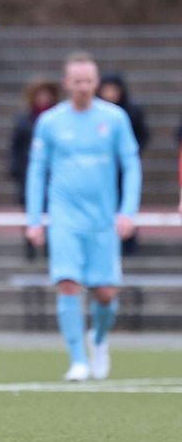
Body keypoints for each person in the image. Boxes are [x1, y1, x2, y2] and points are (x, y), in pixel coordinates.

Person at [25, 52, 141, 382]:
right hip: (64, 218)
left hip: (103, 220)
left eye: (88, 81)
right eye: (76, 81)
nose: (83, 87)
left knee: (105, 293)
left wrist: (127, 212)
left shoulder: (115, 119)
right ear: (66, 83)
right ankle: (77, 360)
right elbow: (37, 172)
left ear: (97, 81)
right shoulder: (50, 122)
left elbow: (131, 164)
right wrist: (35, 220)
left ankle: (99, 340)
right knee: (68, 284)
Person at [97, 73, 149, 255]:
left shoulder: (127, 114)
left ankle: (129, 246)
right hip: (101, 169)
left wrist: (131, 155)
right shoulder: (96, 114)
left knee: (126, 204)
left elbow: (141, 137)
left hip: (122, 167)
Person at [9, 77, 60, 260]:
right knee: (31, 213)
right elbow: (15, 148)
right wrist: (16, 171)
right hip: (28, 175)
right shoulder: (24, 121)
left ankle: (51, 253)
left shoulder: (59, 120)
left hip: (54, 177)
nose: (43, 98)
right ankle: (30, 253)